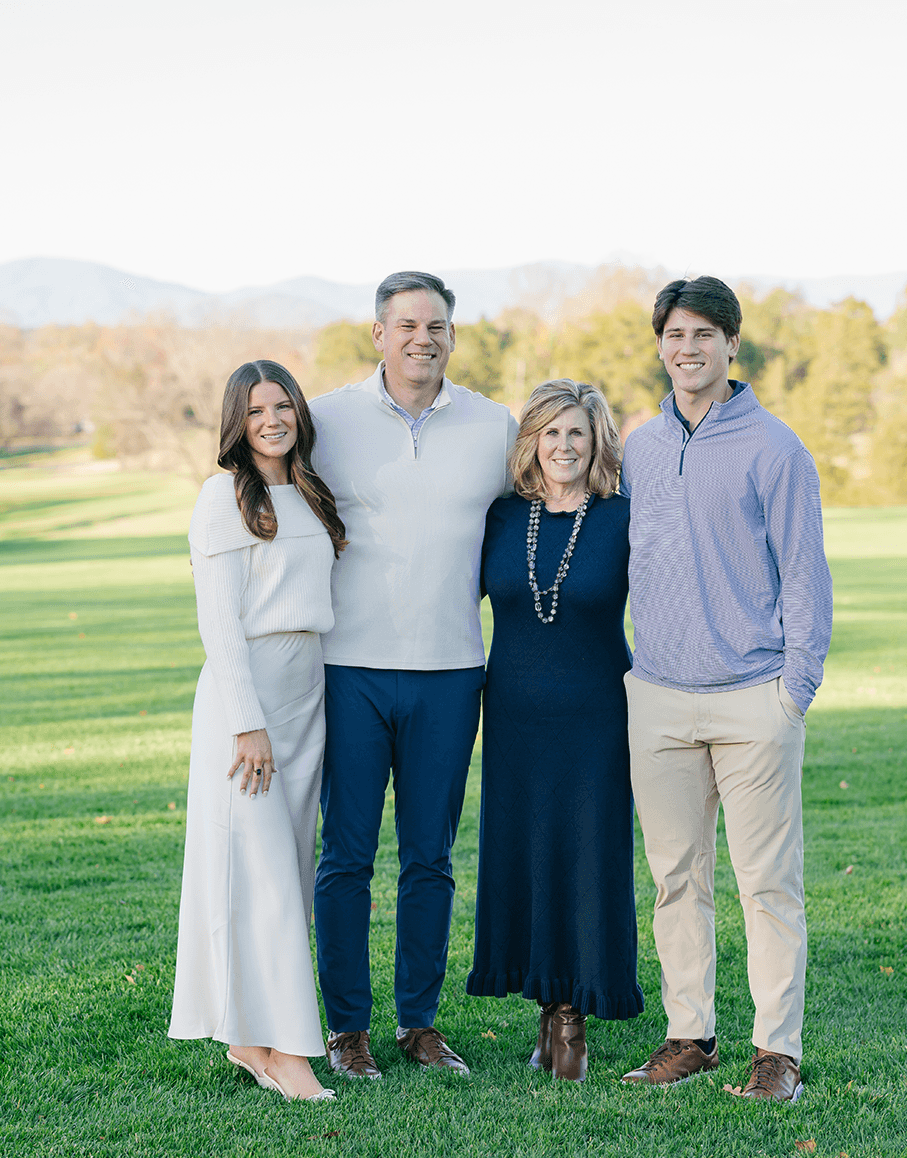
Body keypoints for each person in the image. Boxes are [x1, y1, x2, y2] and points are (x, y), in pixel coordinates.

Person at [619, 277, 832, 1103]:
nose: (688, 349)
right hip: (661, 696)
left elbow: (806, 577)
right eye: (675, 335)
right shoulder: (638, 446)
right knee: (676, 879)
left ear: (732, 345)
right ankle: (690, 1035)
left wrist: (793, 692)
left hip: (753, 697)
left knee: (767, 884)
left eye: (705, 334)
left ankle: (776, 1051)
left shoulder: (775, 449)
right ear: (661, 344)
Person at [308, 271, 519, 1079]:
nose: (422, 338)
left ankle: (419, 1025)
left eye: (436, 325)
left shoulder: (492, 426)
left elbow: (545, 507)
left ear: (453, 336)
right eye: (406, 325)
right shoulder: (326, 419)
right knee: (347, 855)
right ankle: (347, 1029)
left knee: (430, 856)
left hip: (450, 672)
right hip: (349, 667)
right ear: (378, 334)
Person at [168, 360, 349, 1103]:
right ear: (235, 425)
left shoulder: (308, 490)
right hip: (250, 706)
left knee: (286, 876)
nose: (272, 420)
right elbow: (220, 623)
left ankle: (251, 1038)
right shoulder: (222, 498)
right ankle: (288, 1054)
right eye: (255, 411)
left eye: (283, 406)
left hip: (308, 694)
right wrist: (247, 724)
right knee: (266, 876)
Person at [467, 380, 642, 1082]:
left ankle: (572, 1019)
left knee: (586, 858)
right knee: (526, 856)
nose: (564, 446)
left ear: (596, 441)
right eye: (551, 433)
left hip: (597, 715)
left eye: (577, 433)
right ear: (531, 443)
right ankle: (543, 1005)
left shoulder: (624, 517)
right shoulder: (504, 518)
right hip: (512, 717)